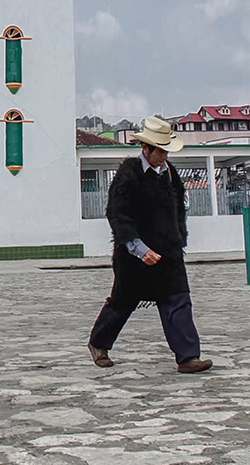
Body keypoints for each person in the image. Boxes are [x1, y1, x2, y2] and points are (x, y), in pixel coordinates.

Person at [87, 117, 212, 374]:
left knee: (178, 300)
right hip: (134, 257)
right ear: (146, 149)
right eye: (160, 151)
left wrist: (179, 239)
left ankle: (188, 357)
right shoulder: (128, 174)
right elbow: (117, 214)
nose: (164, 156)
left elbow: (178, 210)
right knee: (122, 302)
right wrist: (139, 248)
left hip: (168, 254)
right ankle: (98, 343)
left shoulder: (170, 174)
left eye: (167, 150)